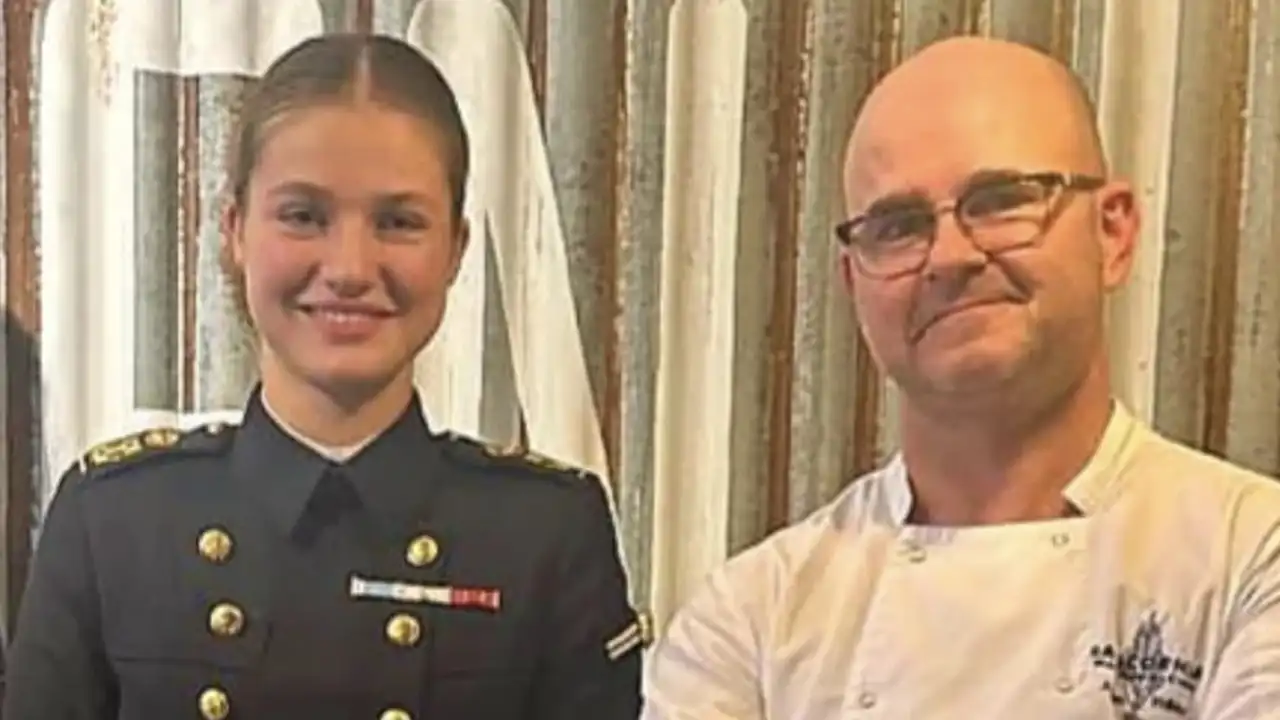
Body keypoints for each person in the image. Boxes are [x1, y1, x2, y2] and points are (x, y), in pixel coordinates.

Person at [6, 33, 648, 720]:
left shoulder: (545, 535)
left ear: (456, 249)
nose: (348, 267)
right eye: (303, 216)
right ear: (234, 230)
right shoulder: (112, 522)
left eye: (398, 222)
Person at [641, 36, 1280, 719]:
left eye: (1002, 199)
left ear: (1113, 234)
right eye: (898, 225)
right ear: (854, 282)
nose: (949, 257)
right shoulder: (751, 621)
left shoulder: (1251, 559)